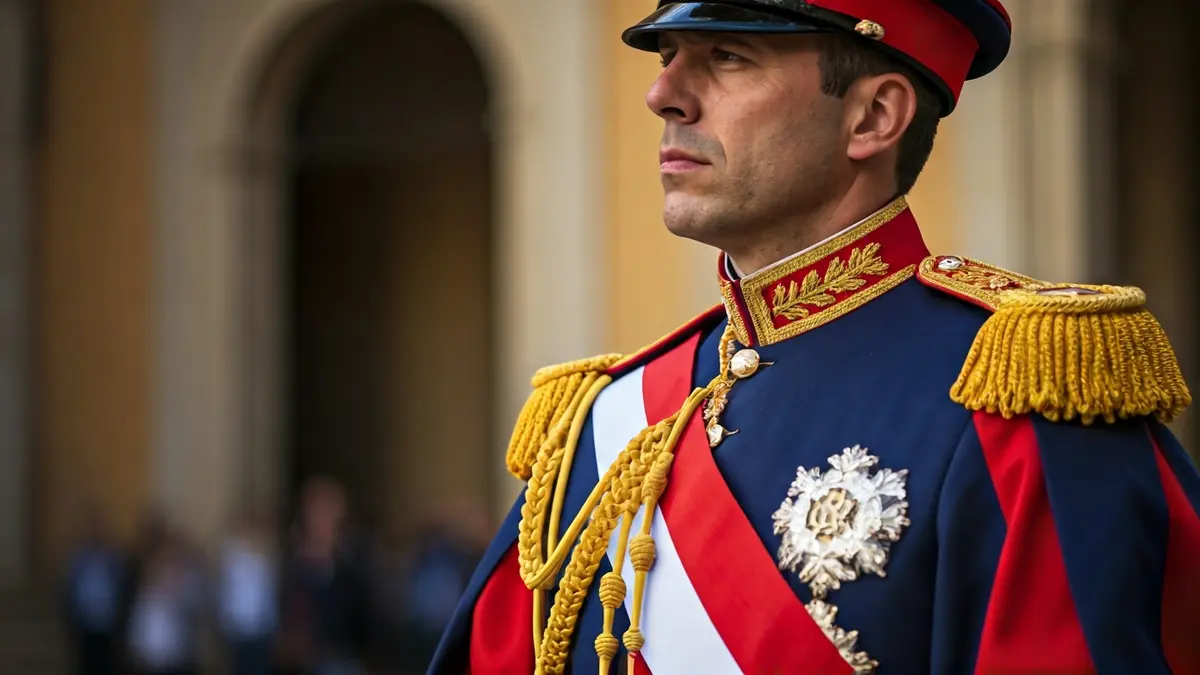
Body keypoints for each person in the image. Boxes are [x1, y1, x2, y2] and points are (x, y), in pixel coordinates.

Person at [429, 1, 1200, 673]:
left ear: (873, 117)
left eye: (727, 57)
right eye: (669, 58)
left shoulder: (1019, 402)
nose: (663, 94)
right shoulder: (606, 422)